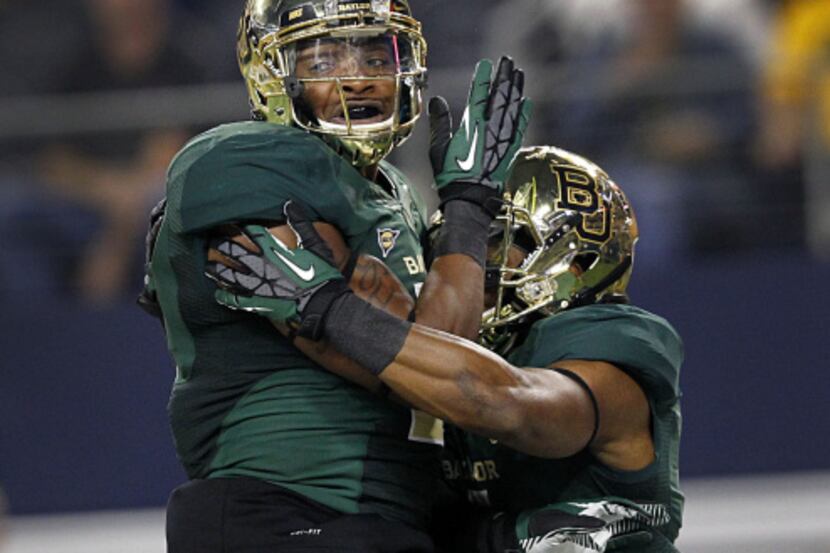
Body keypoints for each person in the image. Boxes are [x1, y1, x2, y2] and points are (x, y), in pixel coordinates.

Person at [139, 0, 530, 551]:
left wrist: (466, 208)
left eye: (377, 57)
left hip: (390, 515)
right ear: (271, 73)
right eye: (323, 63)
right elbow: (414, 369)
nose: (359, 81)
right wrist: (465, 215)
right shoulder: (240, 159)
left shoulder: (396, 194)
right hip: (283, 507)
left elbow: (446, 363)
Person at [208, 145, 684, 552]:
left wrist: (333, 311)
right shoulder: (454, 356)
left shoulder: (610, 346)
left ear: (573, 257)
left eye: (495, 241)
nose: (474, 263)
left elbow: (504, 403)